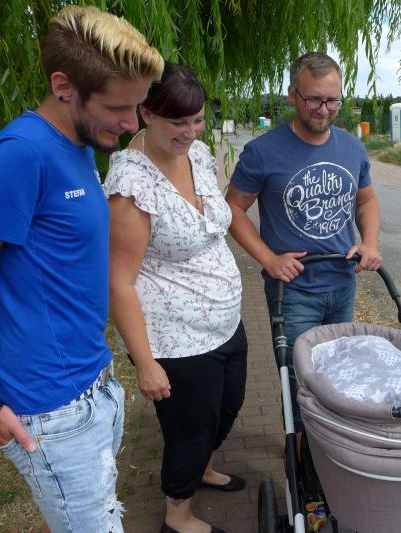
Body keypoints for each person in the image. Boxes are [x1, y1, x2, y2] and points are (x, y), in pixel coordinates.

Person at [0, 6, 163, 533]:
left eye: (137, 106)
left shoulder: (79, 143)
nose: (132, 124)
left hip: (93, 384)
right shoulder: (19, 156)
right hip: (51, 410)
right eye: (118, 107)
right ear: (63, 87)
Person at [105, 63, 246, 533]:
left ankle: (203, 469)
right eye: (178, 122)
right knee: (190, 430)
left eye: (198, 119)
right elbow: (119, 282)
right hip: (177, 339)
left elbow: (210, 224)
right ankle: (178, 514)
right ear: (146, 113)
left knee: (226, 408)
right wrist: (146, 364)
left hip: (225, 321)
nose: (190, 131)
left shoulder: (198, 154)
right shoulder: (132, 187)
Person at [226, 52, 381, 433]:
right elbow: (232, 209)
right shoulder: (263, 152)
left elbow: (365, 200)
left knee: (337, 376)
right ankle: (299, 457)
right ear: (292, 94)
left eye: (332, 100)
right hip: (293, 292)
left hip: (342, 285)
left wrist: (370, 242)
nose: (324, 110)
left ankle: (328, 449)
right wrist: (268, 259)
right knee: (299, 383)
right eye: (314, 99)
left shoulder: (352, 148)